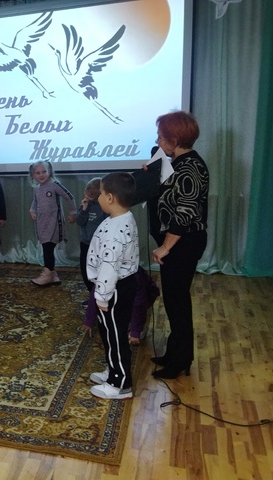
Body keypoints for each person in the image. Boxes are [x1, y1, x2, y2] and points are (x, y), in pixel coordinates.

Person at [149, 111, 209, 379]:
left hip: (183, 244)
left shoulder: (190, 167)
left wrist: (166, 247)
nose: (158, 141)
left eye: (161, 137)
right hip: (178, 243)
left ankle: (181, 359)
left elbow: (185, 212)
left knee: (178, 301)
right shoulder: (178, 162)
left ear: (174, 139)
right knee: (174, 300)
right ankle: (174, 353)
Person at [86, 172, 140, 400]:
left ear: (110, 197)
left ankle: (120, 384)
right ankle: (113, 370)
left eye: (100, 194)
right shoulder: (122, 217)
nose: (98, 198)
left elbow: (110, 265)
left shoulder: (116, 229)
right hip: (117, 286)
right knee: (109, 332)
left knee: (115, 335)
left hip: (114, 289)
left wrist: (101, 296)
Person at [28, 160, 77, 286]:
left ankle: (47, 274)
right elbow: (35, 202)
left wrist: (72, 212)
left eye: (44, 171)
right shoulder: (37, 189)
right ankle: (53, 275)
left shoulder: (55, 185)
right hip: (42, 223)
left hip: (54, 223)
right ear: (33, 175)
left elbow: (69, 197)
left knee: (48, 248)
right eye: (37, 173)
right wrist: (32, 210)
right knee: (46, 247)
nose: (41, 175)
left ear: (49, 171)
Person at [75, 177, 107, 297]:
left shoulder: (104, 207)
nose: (87, 197)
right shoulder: (86, 205)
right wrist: (84, 210)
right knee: (85, 271)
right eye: (86, 194)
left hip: (99, 245)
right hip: (86, 243)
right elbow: (79, 221)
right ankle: (92, 295)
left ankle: (100, 295)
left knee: (98, 271)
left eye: (90, 195)